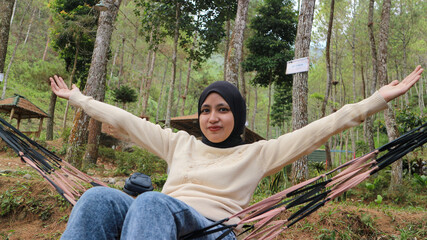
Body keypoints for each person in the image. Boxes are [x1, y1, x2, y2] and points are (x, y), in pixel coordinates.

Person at [50, 65, 423, 240]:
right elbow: (125, 119)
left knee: (150, 203)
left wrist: (375, 101)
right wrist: (78, 99)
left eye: (223, 110)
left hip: (210, 231)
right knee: (98, 197)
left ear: (237, 117)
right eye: (207, 110)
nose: (213, 118)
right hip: (159, 224)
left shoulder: (258, 153)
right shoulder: (179, 143)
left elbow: (322, 129)